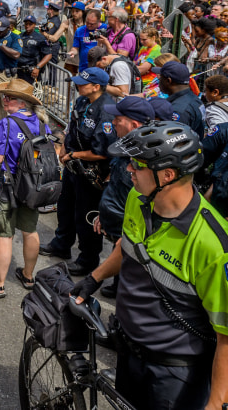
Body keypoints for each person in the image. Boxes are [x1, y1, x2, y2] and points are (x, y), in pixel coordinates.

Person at [71, 121, 228, 410]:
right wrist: (94, 278)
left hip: (174, 374)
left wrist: (216, 403)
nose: (128, 169)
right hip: (128, 351)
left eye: (137, 164)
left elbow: (226, 335)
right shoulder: (138, 198)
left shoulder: (212, 244)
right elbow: (129, 248)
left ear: (167, 175)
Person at [40, 67, 117, 275]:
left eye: (83, 83)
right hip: (73, 167)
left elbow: (104, 152)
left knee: (86, 216)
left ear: (96, 86)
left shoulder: (108, 110)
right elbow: (72, 128)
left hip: (92, 172)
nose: (77, 86)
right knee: (65, 207)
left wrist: (75, 156)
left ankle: (87, 260)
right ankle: (61, 244)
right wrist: (65, 148)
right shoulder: (83, 100)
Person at [0, 79, 49, 299]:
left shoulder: (7, 124)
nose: (4, 100)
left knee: (5, 235)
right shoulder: (42, 121)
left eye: (8, 98)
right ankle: (28, 276)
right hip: (33, 185)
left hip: (7, 185)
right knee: (30, 230)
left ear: (21, 103)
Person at [92, 96, 156, 298]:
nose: (113, 123)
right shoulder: (127, 147)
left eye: (118, 119)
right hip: (119, 227)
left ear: (134, 124)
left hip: (130, 234)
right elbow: (117, 187)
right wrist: (104, 214)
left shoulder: (147, 158)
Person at [154, 61, 205, 137]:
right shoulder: (194, 98)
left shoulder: (178, 110)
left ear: (168, 81)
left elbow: (173, 141)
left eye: (161, 77)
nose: (158, 80)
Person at [16, 16, 52, 83]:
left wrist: (38, 67)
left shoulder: (40, 38)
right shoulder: (20, 36)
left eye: (30, 24)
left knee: (33, 92)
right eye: (26, 24)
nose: (27, 26)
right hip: (19, 70)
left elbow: (48, 55)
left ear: (34, 25)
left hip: (32, 71)